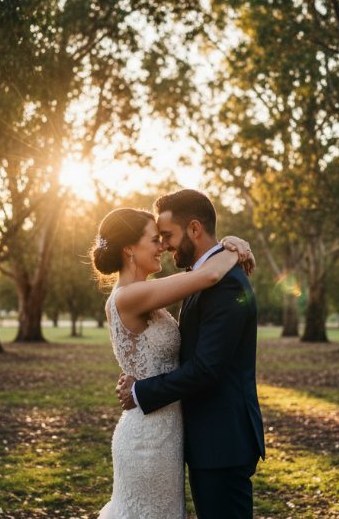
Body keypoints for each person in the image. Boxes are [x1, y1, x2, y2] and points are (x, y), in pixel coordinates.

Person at [91, 204, 255, 519]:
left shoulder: (145, 293)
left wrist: (229, 245)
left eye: (164, 238)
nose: (163, 247)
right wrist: (236, 248)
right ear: (129, 249)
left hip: (168, 431)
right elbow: (209, 275)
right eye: (155, 239)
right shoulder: (128, 296)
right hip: (148, 438)